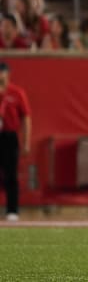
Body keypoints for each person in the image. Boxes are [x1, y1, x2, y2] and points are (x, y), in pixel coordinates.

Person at [0, 61, 31, 222]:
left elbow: (26, 117)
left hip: (10, 136)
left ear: (8, 74)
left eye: (2, 73)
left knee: (11, 174)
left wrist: (26, 142)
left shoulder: (16, 92)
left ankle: (12, 210)